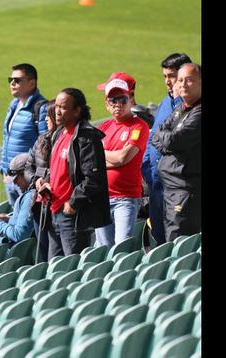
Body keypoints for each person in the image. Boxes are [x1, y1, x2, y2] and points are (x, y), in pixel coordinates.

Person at [37, 88, 110, 256]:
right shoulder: (58, 134)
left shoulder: (86, 138)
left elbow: (93, 179)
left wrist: (72, 203)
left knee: (71, 269)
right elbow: (56, 168)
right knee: (54, 268)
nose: (57, 111)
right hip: (54, 211)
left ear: (77, 111)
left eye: (63, 107)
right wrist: (45, 180)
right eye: (56, 106)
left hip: (72, 216)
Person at [141, 53, 192, 245]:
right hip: (156, 186)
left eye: (171, 76)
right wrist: (146, 168)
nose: (168, 82)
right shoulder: (164, 103)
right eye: (165, 76)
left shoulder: (191, 106)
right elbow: (152, 139)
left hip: (177, 188)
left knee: (178, 241)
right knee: (160, 238)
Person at [94, 73, 149, 248]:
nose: (118, 104)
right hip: (102, 198)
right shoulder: (104, 127)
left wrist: (104, 155)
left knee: (120, 248)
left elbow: (123, 157)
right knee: (103, 249)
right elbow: (93, 160)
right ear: (106, 104)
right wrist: (113, 159)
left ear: (130, 100)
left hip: (125, 198)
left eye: (122, 100)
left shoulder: (139, 125)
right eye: (113, 100)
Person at [151, 63, 201, 242]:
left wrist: (169, 142)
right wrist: (169, 143)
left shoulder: (198, 112)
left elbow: (174, 140)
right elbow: (157, 135)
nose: (183, 85)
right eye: (180, 80)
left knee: (178, 242)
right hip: (170, 189)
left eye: (189, 80)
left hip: (185, 190)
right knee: (168, 238)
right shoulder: (181, 108)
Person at [0, 63, 49, 206]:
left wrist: (33, 176)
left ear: (32, 83)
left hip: (26, 179)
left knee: (27, 222)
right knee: (15, 219)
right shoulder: (14, 105)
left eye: (17, 80)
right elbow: (6, 138)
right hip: (10, 177)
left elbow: (44, 145)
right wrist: (3, 169)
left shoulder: (41, 108)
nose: (13, 83)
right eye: (11, 80)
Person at [25, 99, 57, 262]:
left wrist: (45, 179)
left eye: (47, 116)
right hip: (38, 205)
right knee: (41, 247)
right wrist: (36, 180)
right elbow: (28, 165)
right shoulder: (41, 140)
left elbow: (62, 169)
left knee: (54, 251)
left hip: (56, 203)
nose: (45, 120)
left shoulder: (65, 140)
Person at [0, 153, 35, 247]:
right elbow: (26, 225)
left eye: (16, 178)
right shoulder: (33, 193)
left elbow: (18, 235)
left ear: (27, 174)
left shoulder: (29, 197)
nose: (14, 182)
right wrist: (5, 219)